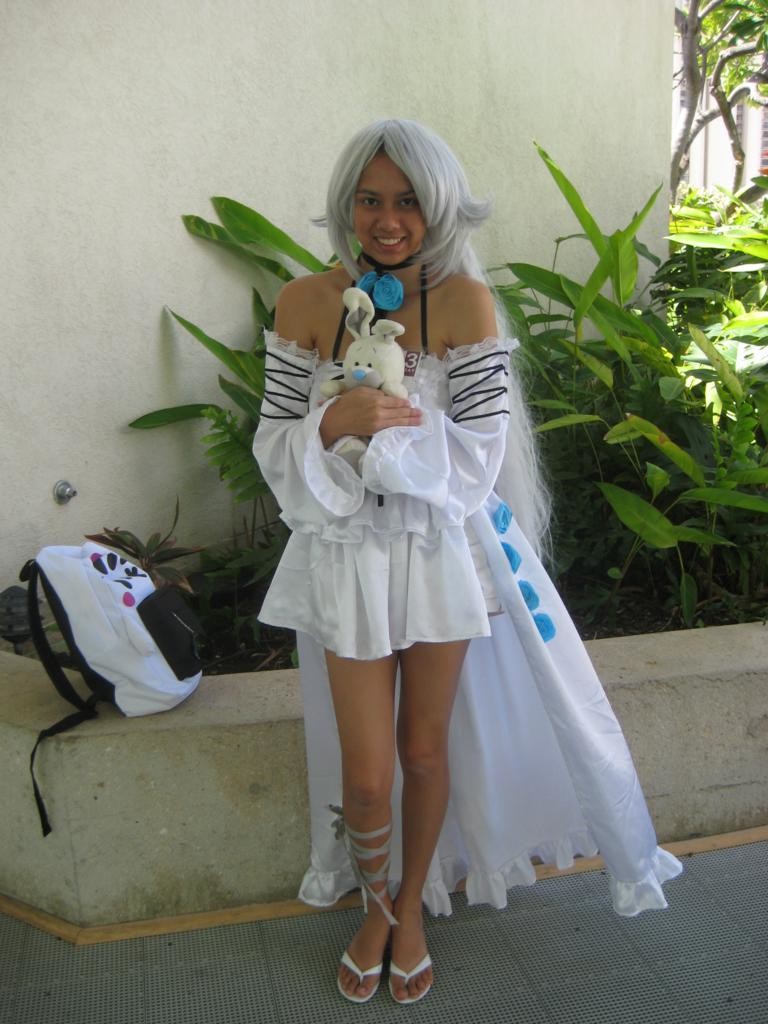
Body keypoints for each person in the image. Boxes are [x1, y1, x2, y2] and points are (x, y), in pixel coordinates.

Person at [252, 119, 681, 1005]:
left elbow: (480, 458)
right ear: (346, 205)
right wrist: (332, 424)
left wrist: (380, 440)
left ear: (441, 205)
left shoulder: (465, 306)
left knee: (422, 748)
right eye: (370, 200)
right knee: (366, 774)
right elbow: (274, 442)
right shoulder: (302, 303)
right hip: (345, 559)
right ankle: (373, 904)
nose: (388, 220)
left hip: (437, 554)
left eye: (409, 201)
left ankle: (407, 908)